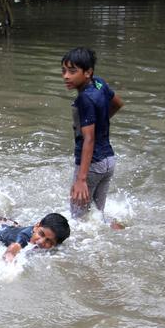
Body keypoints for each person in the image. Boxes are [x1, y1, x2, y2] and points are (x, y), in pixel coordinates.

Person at [62, 47, 125, 224]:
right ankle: (115, 227)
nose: (66, 76)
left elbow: (89, 139)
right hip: (108, 161)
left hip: (92, 166)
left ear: (88, 72)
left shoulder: (84, 99)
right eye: (64, 71)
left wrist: (81, 179)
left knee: (78, 220)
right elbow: (118, 103)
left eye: (73, 71)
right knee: (97, 216)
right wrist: (100, 123)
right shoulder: (99, 84)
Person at [0, 212, 70, 262]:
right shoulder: (24, 237)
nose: (41, 241)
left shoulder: (41, 231)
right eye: (41, 234)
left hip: (10, 227)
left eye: (49, 241)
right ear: (37, 226)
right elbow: (15, 247)